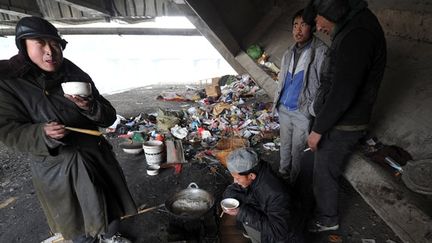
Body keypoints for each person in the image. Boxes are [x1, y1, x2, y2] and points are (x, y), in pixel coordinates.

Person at [0, 16, 137, 242]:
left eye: (54, 44)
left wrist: (90, 106)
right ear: (23, 45)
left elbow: (108, 116)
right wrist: (41, 133)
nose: (49, 52)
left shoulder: (71, 71)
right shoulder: (8, 80)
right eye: (40, 43)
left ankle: (112, 237)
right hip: (59, 167)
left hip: (96, 155)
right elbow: (8, 130)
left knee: (111, 210)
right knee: (79, 224)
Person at [304, 0, 387, 232]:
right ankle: (322, 208)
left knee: (324, 171)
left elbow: (342, 92)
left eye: (317, 19)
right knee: (321, 168)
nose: (318, 27)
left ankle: (327, 218)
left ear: (330, 11)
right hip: (341, 118)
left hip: (345, 123)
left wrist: (318, 130)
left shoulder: (357, 35)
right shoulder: (353, 26)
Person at [272, 9, 328, 184]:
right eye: (295, 25)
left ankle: (294, 182)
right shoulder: (289, 52)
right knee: (285, 144)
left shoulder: (321, 52)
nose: (298, 30)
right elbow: (282, 80)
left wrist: (311, 109)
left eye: (303, 25)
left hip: (301, 111)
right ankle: (283, 173)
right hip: (284, 108)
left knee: (298, 149)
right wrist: (277, 103)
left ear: (312, 27)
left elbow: (325, 85)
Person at [222, 148, 302, 243]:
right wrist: (229, 199)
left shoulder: (276, 194)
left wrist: (241, 213)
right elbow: (233, 189)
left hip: (282, 237)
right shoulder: (257, 171)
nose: (235, 181)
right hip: (267, 215)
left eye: (237, 178)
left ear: (251, 175)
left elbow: (279, 231)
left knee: (244, 214)